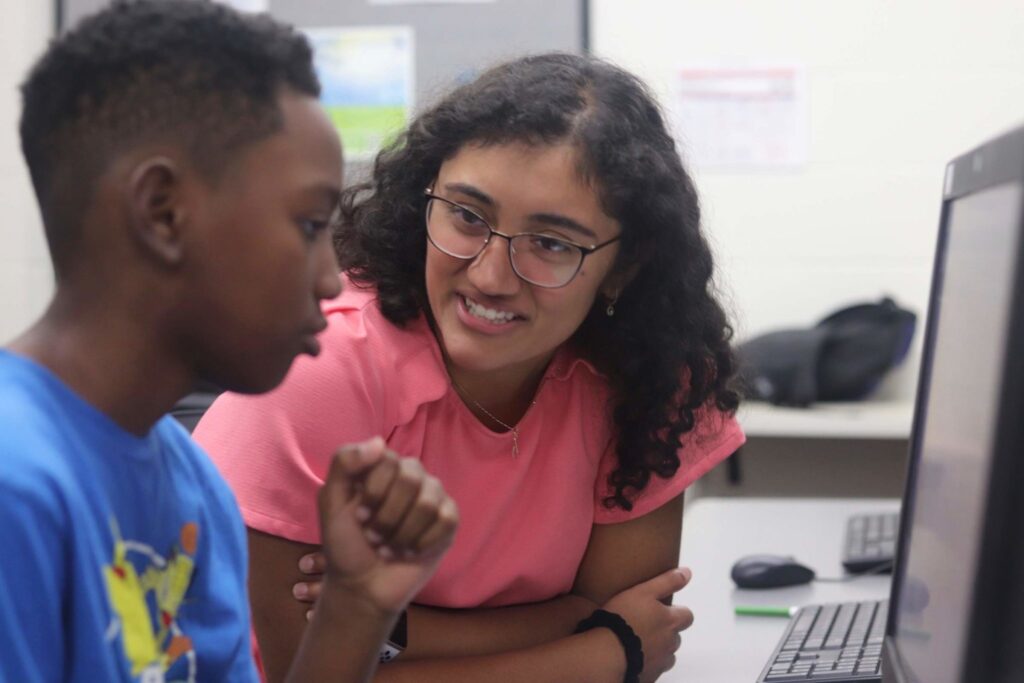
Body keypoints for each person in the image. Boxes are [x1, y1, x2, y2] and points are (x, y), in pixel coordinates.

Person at [196, 52, 745, 682]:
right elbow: (310, 673)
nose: (488, 277)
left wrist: (392, 630)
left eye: (551, 243)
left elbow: (630, 615)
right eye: (466, 215)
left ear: (624, 265)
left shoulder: (653, 378)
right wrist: (597, 654)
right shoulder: (319, 365)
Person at [0, 2, 457, 682]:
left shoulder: (195, 487)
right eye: (308, 224)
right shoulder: (16, 485)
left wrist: (355, 606)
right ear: (163, 211)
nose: (331, 276)